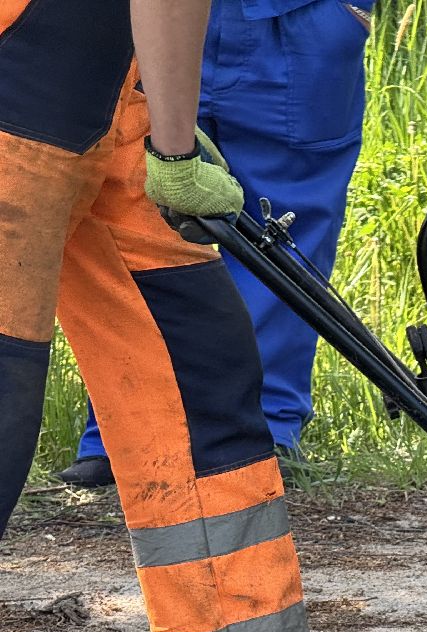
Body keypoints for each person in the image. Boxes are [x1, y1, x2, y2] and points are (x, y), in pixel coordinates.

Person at [0, 0, 427, 632]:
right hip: (21, 87)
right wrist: (174, 148)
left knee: (198, 372)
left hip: (107, 98)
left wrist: (154, 116)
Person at [57, 0, 375, 487]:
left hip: (297, 18)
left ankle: (262, 437)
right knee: (135, 212)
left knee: (282, 230)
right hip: (146, 16)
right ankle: (125, 438)